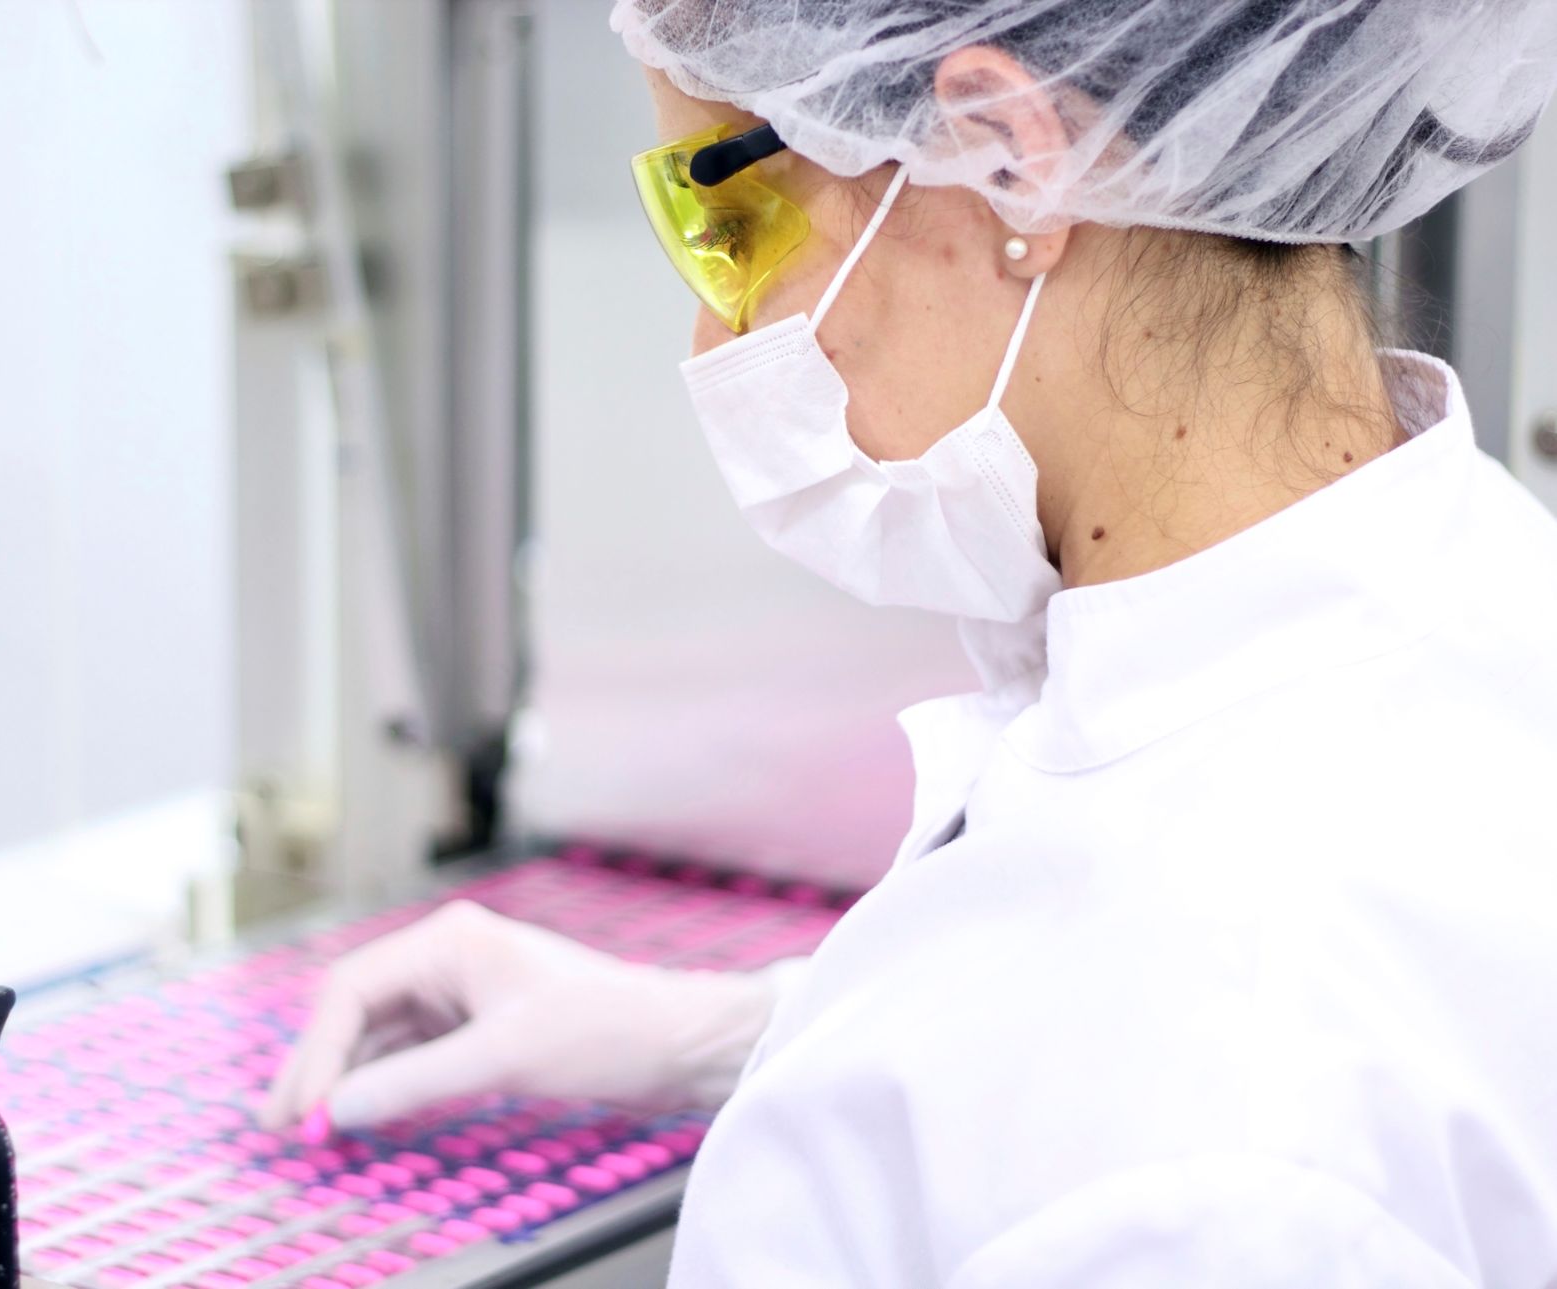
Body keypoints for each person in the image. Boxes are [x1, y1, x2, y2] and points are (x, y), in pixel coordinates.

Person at [265, 2, 1557, 1282]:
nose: (714, 337)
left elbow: (1138, 1098)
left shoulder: (1198, 1158)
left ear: (1008, 158)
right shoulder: (1471, 585)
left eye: (721, 228)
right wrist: (731, 1035)